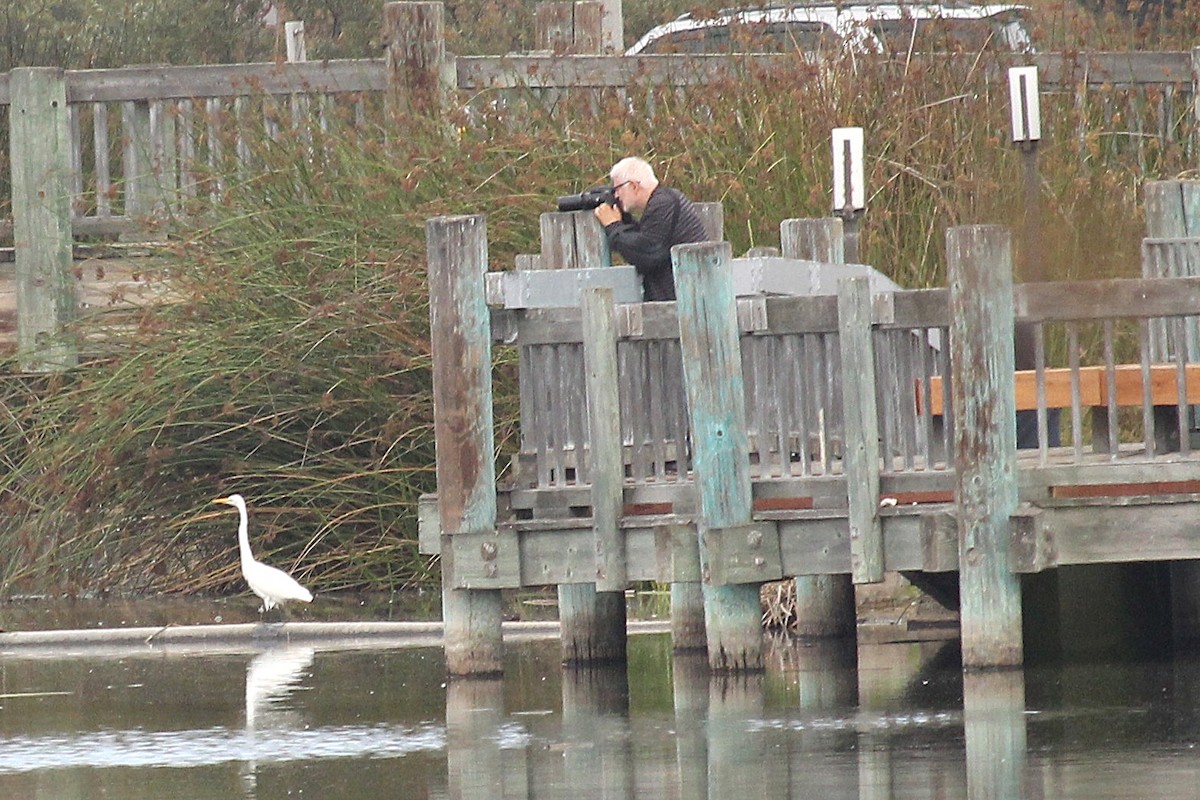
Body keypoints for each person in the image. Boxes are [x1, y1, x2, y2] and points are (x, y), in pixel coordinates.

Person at [593, 157, 710, 301]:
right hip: (687, 296)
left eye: (617, 189)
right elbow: (648, 240)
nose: (615, 195)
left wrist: (613, 226)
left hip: (686, 302)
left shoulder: (664, 203)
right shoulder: (666, 199)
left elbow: (647, 254)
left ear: (634, 186)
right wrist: (624, 220)